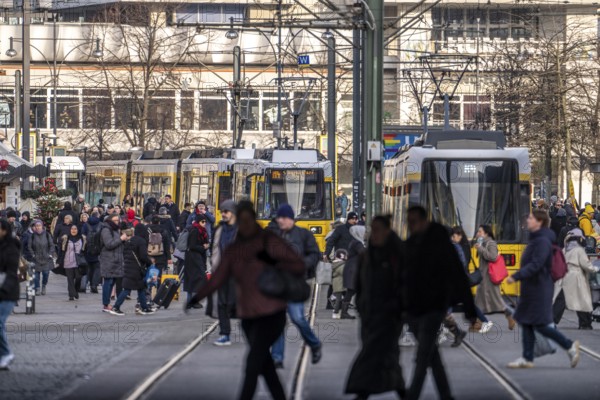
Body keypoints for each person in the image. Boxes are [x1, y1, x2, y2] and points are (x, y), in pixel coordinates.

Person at [187, 201, 304, 400]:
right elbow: (219, 276)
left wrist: (270, 261)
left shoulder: (269, 240)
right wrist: (197, 296)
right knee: (264, 365)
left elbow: (297, 265)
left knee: (252, 365)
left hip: (272, 312)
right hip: (248, 316)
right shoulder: (235, 248)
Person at [404, 206, 476, 400]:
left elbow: (459, 276)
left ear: (423, 221)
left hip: (434, 307)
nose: (410, 225)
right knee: (432, 355)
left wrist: (469, 309)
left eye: (413, 221)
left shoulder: (440, 243)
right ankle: (446, 395)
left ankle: (412, 395)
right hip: (413, 309)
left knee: (423, 353)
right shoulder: (410, 243)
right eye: (408, 222)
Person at [506, 209, 581, 369]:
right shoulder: (538, 239)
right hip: (533, 288)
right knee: (526, 321)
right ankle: (527, 357)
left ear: (539, 222)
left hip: (539, 288)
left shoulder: (542, 241)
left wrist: (516, 276)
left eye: (531, 218)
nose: (528, 220)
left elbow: (537, 264)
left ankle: (569, 346)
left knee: (538, 324)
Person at [345, 216, 405, 399]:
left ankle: (361, 390)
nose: (374, 233)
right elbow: (360, 285)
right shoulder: (367, 255)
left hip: (389, 315)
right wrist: (362, 307)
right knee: (386, 355)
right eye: (373, 229)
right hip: (370, 315)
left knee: (374, 353)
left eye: (378, 229)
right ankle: (401, 389)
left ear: (387, 231)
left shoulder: (397, 255)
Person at [269, 204, 322, 369]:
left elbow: (315, 254)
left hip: (294, 284)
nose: (281, 221)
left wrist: (302, 264)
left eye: (284, 218)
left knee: (298, 318)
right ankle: (277, 357)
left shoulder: (303, 234)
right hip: (277, 285)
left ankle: (314, 344)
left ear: (291, 219)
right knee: (277, 321)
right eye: (279, 218)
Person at [553, 229, 599, 329]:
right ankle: (585, 323)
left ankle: (552, 320)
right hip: (576, 276)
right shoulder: (579, 250)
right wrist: (595, 269)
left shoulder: (565, 249)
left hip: (565, 276)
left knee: (561, 300)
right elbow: (586, 265)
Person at [450, 226, 492, 335]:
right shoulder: (463, 245)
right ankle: (485, 321)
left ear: (459, 236)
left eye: (453, 235)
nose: (451, 237)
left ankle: (445, 328)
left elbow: (462, 263)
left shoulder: (458, 247)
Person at [474, 225, 516, 330]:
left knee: (497, 301)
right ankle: (478, 323)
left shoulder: (491, 243)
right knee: (478, 301)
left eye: (480, 231)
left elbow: (492, 257)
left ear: (486, 233)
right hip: (484, 277)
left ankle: (510, 316)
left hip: (490, 278)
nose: (478, 233)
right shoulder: (483, 243)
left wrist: (480, 249)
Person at [210, 200, 238, 346]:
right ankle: (225, 334)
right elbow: (213, 248)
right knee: (221, 304)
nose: (223, 215)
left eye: (226, 212)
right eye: (222, 212)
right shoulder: (219, 229)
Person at [110, 226, 155, 315]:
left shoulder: (128, 241)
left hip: (128, 267)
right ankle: (116, 307)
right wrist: (150, 262)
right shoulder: (141, 241)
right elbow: (143, 256)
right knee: (127, 289)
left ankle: (144, 307)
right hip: (136, 269)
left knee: (141, 287)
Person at [0, 219, 21, 370]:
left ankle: (6, 353)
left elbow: (12, 272)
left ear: (4, 230)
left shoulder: (12, 247)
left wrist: (4, 290)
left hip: (7, 291)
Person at [333, 225, 365, 319]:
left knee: (353, 291)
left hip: (352, 269)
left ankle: (344, 311)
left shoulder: (355, 242)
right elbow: (363, 253)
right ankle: (345, 312)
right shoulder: (357, 243)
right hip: (353, 270)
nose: (365, 234)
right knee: (353, 290)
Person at [100, 213, 127, 313]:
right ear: (110, 220)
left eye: (118, 220)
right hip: (108, 260)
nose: (117, 222)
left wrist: (124, 240)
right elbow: (109, 244)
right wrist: (121, 239)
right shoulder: (106, 229)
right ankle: (106, 304)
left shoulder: (116, 229)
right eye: (115, 220)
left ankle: (107, 304)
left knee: (112, 283)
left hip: (116, 260)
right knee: (108, 282)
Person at [184, 213, 209, 305]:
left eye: (205, 221)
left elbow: (204, 243)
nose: (205, 223)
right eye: (203, 221)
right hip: (192, 258)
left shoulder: (203, 231)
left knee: (195, 279)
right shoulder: (195, 230)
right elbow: (192, 246)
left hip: (198, 257)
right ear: (198, 222)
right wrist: (203, 247)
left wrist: (206, 245)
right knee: (197, 279)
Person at [27, 220, 55, 296]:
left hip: (46, 258)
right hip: (36, 258)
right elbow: (29, 246)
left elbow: (52, 245)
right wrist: (33, 254)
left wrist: (49, 254)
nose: (38, 227)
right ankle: (37, 288)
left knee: (46, 273)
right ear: (35, 227)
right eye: (36, 226)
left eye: (39, 226)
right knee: (36, 276)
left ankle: (44, 285)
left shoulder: (47, 234)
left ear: (42, 226)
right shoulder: (32, 236)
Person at [60, 225, 84, 301]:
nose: (73, 230)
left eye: (75, 229)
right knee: (70, 279)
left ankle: (76, 291)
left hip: (78, 262)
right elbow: (61, 250)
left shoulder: (82, 238)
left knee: (78, 277)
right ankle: (71, 294)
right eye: (72, 229)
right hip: (68, 261)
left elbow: (85, 249)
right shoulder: (66, 238)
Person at [82, 212, 103, 293]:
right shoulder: (101, 224)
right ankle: (94, 285)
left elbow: (82, 235)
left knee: (89, 268)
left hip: (88, 250)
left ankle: (88, 284)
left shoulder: (85, 225)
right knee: (97, 268)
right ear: (98, 216)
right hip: (98, 251)